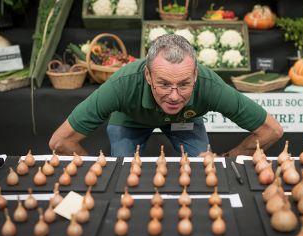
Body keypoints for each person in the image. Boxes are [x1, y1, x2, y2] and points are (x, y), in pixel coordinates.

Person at [49, 34, 283, 157]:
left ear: (195, 75)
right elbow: (59, 141)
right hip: (131, 119)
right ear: (148, 75)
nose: (173, 96)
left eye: (183, 84)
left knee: (205, 171)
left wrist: (231, 156)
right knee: (121, 173)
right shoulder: (122, 84)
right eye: (163, 84)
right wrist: (95, 171)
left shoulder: (211, 85)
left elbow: (272, 130)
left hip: (185, 121)